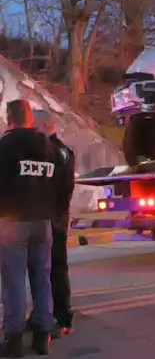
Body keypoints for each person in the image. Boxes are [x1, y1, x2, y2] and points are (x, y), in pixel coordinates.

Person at [0, 100, 57, 357]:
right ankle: (42, 336)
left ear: (9, 118)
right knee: (42, 278)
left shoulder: (5, 147)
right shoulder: (49, 147)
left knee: (13, 281)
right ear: (30, 119)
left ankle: (13, 340)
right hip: (43, 222)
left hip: (13, 222)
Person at [26, 109, 75, 339]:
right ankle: (41, 314)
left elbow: (63, 188)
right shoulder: (52, 150)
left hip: (54, 219)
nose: (31, 130)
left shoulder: (58, 152)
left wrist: (54, 214)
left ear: (45, 125)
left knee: (54, 268)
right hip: (48, 217)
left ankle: (62, 317)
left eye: (34, 125)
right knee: (40, 269)